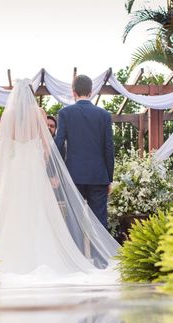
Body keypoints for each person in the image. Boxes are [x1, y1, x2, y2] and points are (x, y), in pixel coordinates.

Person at [0, 79, 119, 282]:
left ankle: (13, 255)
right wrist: (49, 165)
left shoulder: (9, 115)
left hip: (19, 169)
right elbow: (50, 143)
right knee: (47, 212)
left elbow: (7, 147)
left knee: (14, 212)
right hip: (46, 170)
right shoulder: (40, 113)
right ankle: (97, 260)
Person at [54, 74, 115, 229]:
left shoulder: (65, 114)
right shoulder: (104, 115)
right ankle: (100, 254)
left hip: (73, 176)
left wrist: (58, 172)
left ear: (73, 91)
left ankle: (76, 253)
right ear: (91, 91)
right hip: (98, 176)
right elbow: (109, 148)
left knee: (74, 220)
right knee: (99, 221)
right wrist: (109, 178)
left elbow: (59, 144)